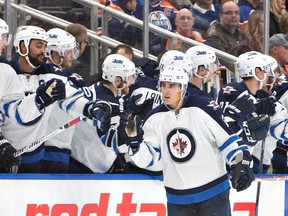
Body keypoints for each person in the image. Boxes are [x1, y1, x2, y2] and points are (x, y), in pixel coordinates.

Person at [122, 65, 254, 215]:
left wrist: (241, 163)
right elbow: (152, 159)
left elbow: (228, 141)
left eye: (172, 86)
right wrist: (134, 144)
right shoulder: (154, 118)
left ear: (183, 87)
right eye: (163, 85)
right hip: (177, 199)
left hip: (214, 194)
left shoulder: (203, 107)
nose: (166, 90)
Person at [2, 25, 111, 173]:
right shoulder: (5, 72)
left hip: (34, 157)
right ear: (23, 46)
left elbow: (70, 98)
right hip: (5, 152)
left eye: (45, 46)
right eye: (38, 46)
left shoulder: (53, 75)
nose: (43, 51)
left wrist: (89, 107)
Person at [70, 54, 138, 173]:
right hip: (88, 169)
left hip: (76, 159)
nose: (132, 82)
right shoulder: (110, 106)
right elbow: (114, 142)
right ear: (118, 80)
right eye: (130, 77)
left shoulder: (95, 88)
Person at [204, 1, 256, 71]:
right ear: (221, 16)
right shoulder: (213, 35)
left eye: (236, 13)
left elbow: (251, 52)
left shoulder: (239, 31)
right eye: (229, 13)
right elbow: (225, 62)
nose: (234, 15)